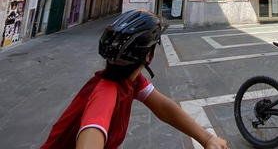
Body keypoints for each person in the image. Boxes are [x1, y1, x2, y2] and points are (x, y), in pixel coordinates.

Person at [40, 10, 228, 149]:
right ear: (148, 56)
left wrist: (207, 139)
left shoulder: (130, 80)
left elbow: (164, 107)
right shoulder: (105, 93)